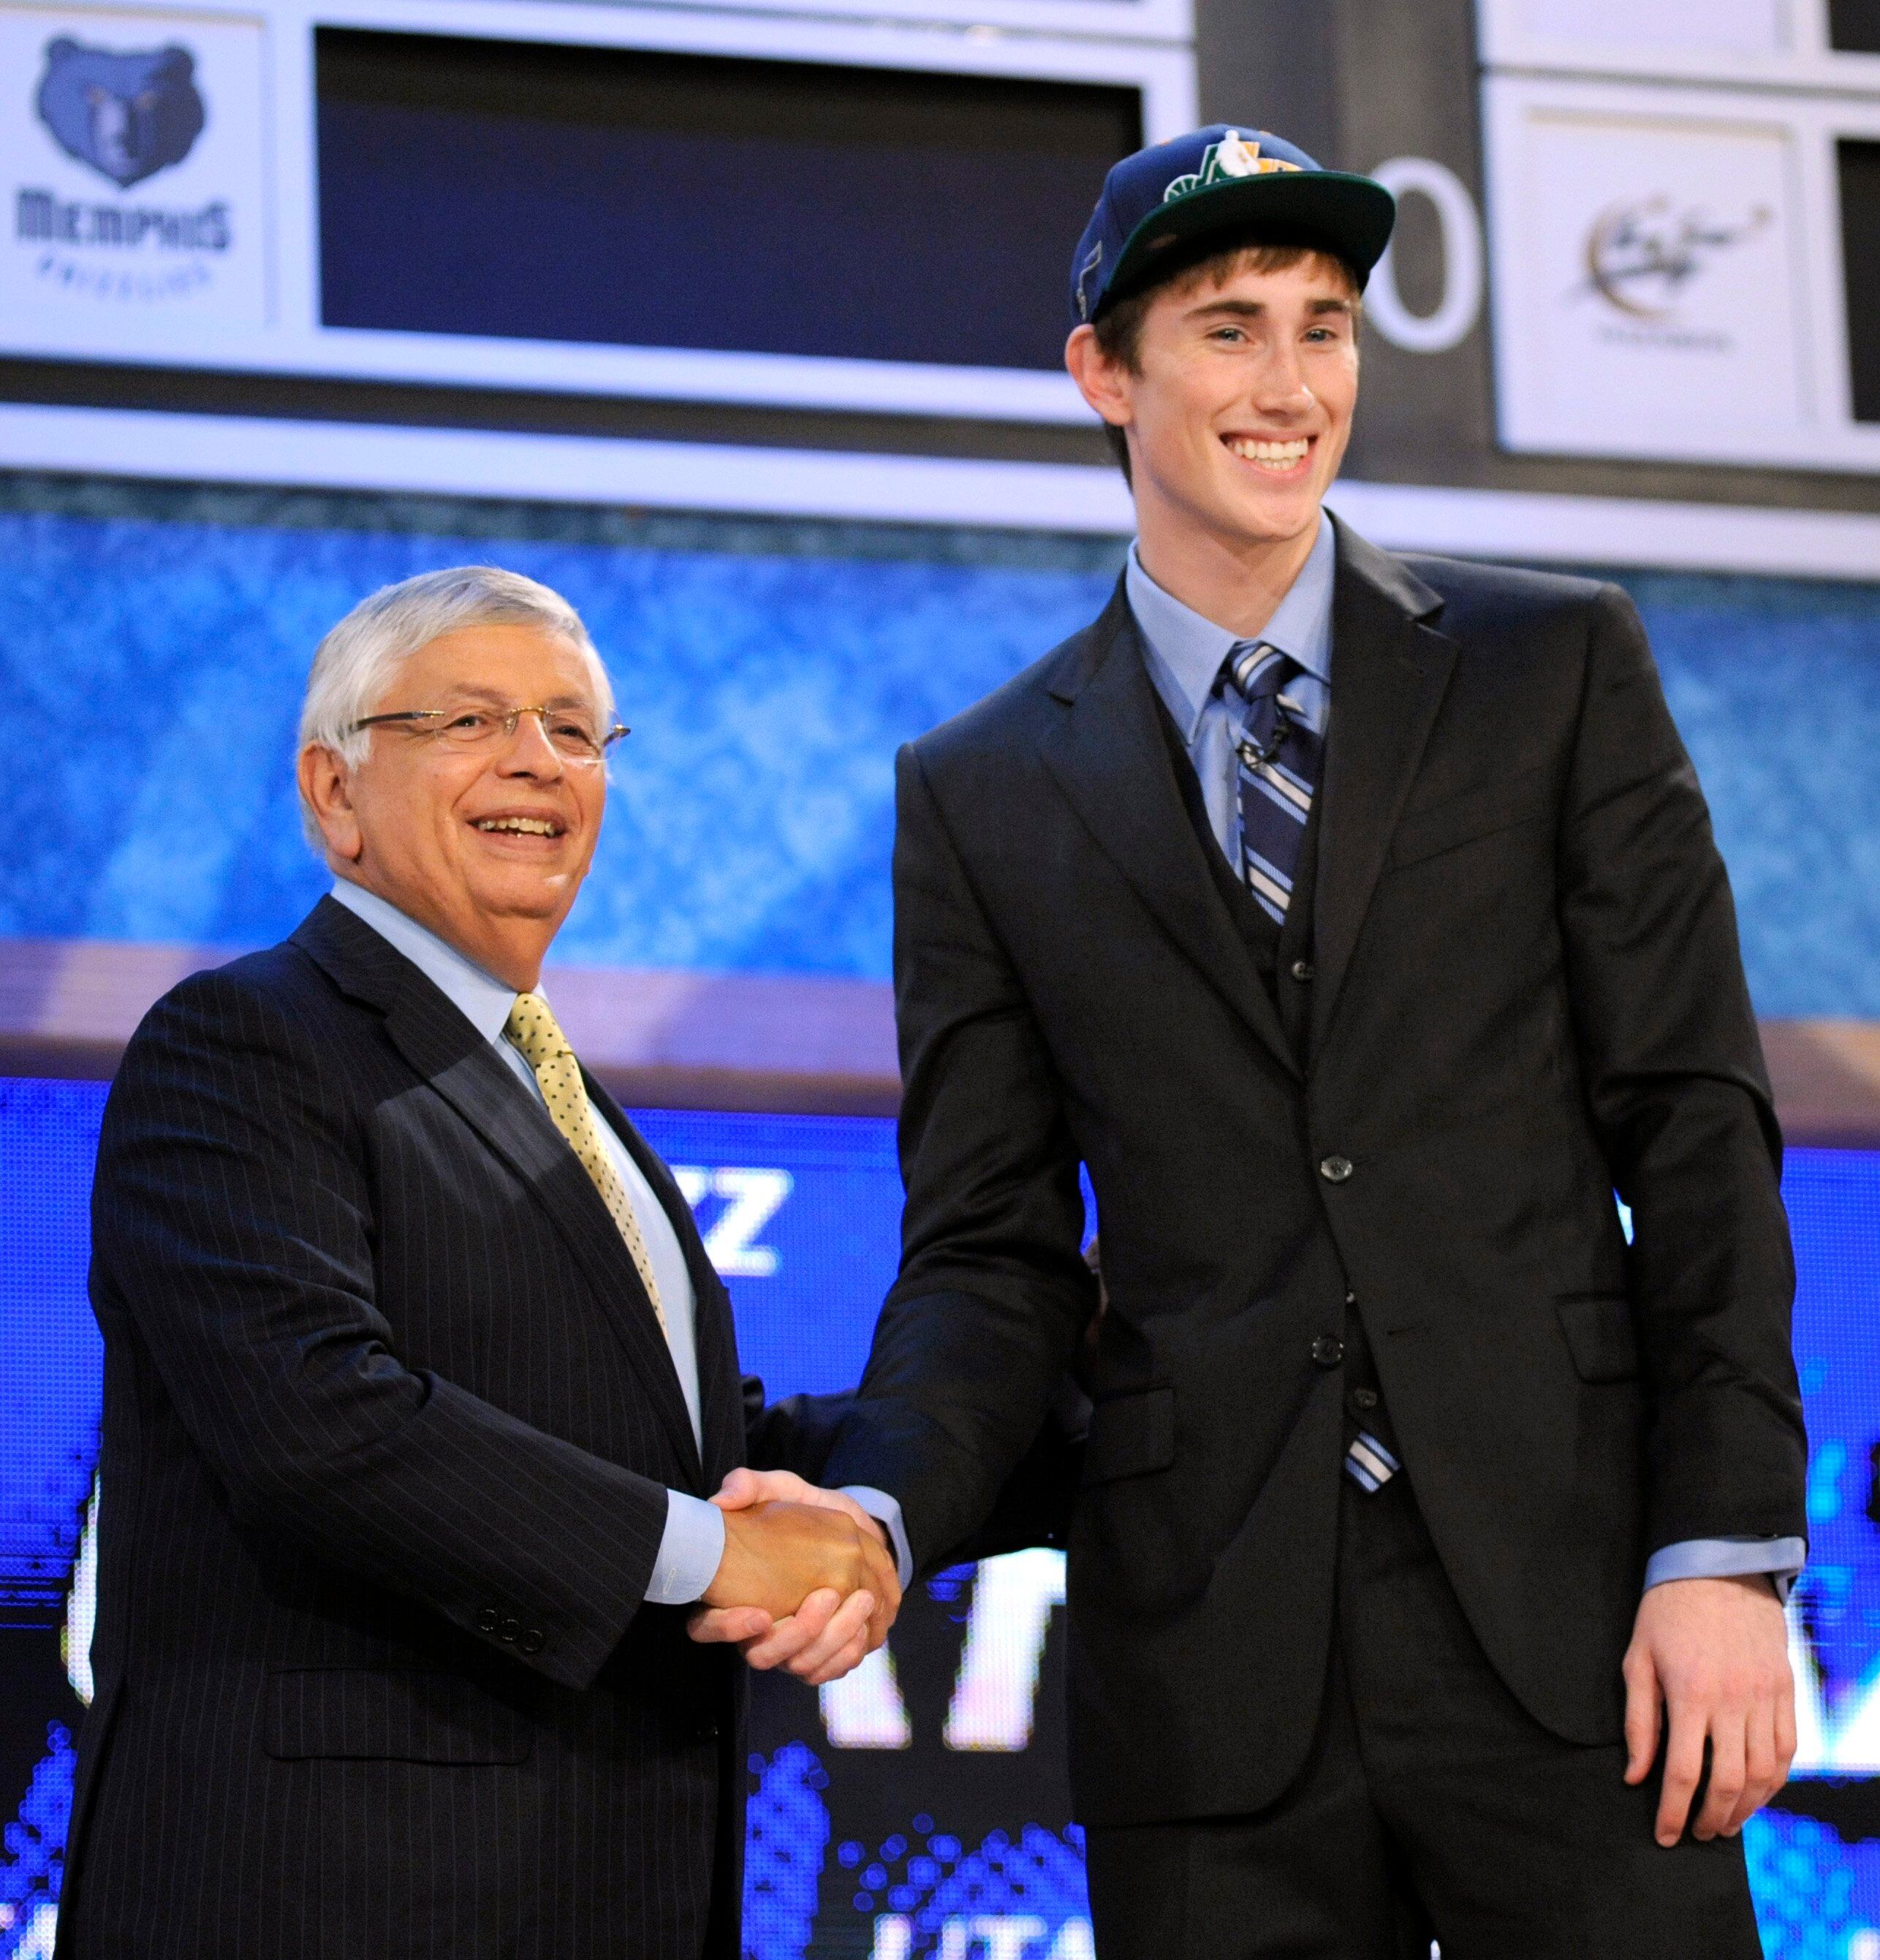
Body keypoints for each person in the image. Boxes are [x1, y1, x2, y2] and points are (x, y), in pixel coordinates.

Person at [706, 127, 1809, 1955]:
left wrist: (1717, 1556)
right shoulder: (976, 791)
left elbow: (1693, 1129)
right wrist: (886, 1503)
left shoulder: (1554, 669)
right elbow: (986, 1251)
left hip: (1575, 1625)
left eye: (1324, 327)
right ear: (1103, 375)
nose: (1289, 385)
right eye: (1227, 330)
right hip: (1210, 1665)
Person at [61, 567, 901, 1960]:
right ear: (334, 795)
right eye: (470, 720)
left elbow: (671, 1447)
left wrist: (928, 1478)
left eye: (575, 730)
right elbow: (320, 1421)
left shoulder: (560, 1094)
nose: (537, 759)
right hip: (328, 1903)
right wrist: (718, 1556)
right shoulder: (243, 1039)